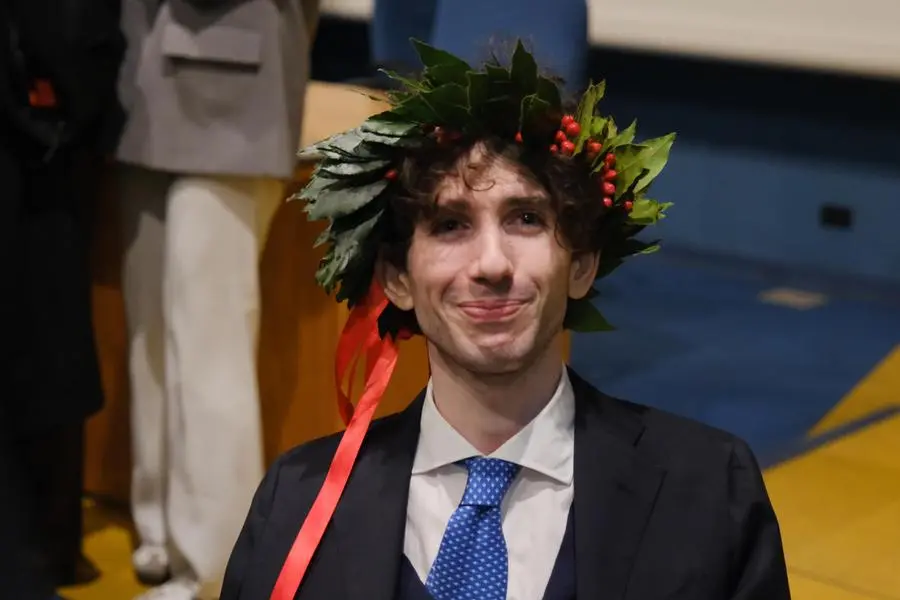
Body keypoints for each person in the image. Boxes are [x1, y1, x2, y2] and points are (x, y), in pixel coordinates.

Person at [220, 41, 792, 600]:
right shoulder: (296, 500)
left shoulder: (711, 490)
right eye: (450, 225)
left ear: (581, 264)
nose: (492, 264)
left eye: (525, 219)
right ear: (397, 279)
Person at [113, 0, 320, 598]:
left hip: (235, 97)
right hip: (139, 90)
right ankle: (161, 535)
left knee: (209, 346)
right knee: (151, 339)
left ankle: (214, 571)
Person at [0, 0, 124, 598]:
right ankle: (44, 552)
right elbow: (65, 33)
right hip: (34, 155)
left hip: (35, 141)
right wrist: (72, 117)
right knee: (47, 346)